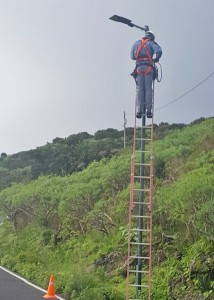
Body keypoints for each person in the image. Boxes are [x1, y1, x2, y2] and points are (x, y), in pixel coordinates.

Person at [130, 31, 162, 118]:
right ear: (152, 37)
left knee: (140, 89)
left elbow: (132, 57)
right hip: (148, 68)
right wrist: (155, 59)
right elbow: (159, 51)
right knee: (148, 89)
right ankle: (148, 111)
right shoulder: (151, 43)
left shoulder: (136, 43)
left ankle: (139, 110)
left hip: (139, 69)